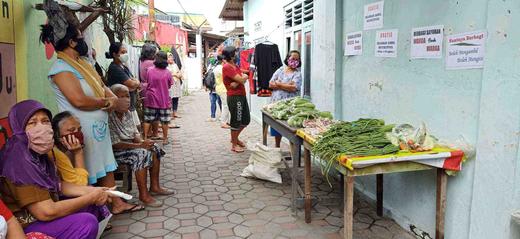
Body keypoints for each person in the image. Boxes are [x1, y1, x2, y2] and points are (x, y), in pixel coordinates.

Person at [40, 23, 142, 214]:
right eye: (80, 37)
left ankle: (116, 204)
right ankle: (96, 210)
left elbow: (105, 90)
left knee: (105, 165)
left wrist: (110, 99)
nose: (84, 42)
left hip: (98, 130)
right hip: (81, 129)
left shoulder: (84, 65)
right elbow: (79, 100)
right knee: (86, 168)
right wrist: (106, 103)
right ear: (71, 42)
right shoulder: (61, 68)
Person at [0, 100, 111, 238]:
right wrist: (90, 197)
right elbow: (46, 212)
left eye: (45, 121)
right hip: (26, 226)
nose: (41, 127)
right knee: (86, 223)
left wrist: (92, 191)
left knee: (92, 204)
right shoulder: (18, 159)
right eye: (32, 123)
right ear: (19, 127)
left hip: (44, 212)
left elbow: (56, 185)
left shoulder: (36, 151)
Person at [109, 84, 173, 207]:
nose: (126, 99)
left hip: (131, 146)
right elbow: (115, 144)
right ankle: (143, 195)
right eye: (121, 96)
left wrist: (143, 142)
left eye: (127, 96)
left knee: (154, 148)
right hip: (116, 150)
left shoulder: (128, 113)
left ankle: (154, 186)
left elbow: (135, 134)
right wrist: (139, 146)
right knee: (141, 153)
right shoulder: (108, 116)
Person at [269, 50, 302, 148]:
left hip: (290, 107)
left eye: (297, 59)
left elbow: (294, 88)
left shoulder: (297, 74)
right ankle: (277, 147)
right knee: (276, 128)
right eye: (292, 59)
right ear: (287, 59)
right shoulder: (280, 70)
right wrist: (287, 85)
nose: (295, 61)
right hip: (276, 105)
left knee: (290, 129)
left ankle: (293, 151)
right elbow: (270, 84)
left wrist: (279, 84)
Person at [222, 46, 250, 153]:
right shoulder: (227, 67)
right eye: (235, 53)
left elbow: (242, 76)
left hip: (241, 96)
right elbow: (242, 79)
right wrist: (243, 78)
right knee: (236, 121)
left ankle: (235, 138)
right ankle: (234, 144)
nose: (237, 54)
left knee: (246, 120)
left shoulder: (235, 65)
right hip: (234, 97)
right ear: (231, 55)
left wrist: (242, 78)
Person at [106, 42, 141, 127]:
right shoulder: (114, 68)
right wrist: (134, 84)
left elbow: (134, 82)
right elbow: (132, 84)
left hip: (130, 105)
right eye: (122, 52)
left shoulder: (123, 66)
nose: (125, 54)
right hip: (122, 107)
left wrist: (134, 83)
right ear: (114, 54)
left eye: (125, 52)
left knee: (136, 128)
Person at [50, 111, 89, 186]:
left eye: (79, 129)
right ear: (57, 136)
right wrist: (78, 153)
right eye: (72, 130)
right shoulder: (56, 154)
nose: (78, 133)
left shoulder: (69, 151)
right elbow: (81, 185)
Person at [142, 51, 173, 145]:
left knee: (147, 119)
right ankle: (165, 139)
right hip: (163, 98)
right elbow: (169, 85)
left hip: (151, 98)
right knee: (164, 120)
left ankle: (145, 138)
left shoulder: (150, 70)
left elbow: (147, 81)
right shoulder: (167, 72)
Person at [139, 43, 161, 139]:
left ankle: (148, 133)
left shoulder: (142, 62)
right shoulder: (151, 63)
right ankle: (154, 134)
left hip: (144, 88)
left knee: (147, 111)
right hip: (152, 89)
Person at [214, 55, 230, 129]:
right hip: (223, 88)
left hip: (219, 88)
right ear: (223, 60)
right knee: (226, 106)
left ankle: (225, 121)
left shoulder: (216, 67)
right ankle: (223, 122)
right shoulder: (221, 68)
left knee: (225, 105)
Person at [167, 52, 182, 128]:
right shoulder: (166, 66)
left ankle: (175, 112)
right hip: (171, 84)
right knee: (170, 98)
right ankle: (169, 114)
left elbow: (179, 73)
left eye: (171, 57)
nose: (171, 58)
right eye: (169, 57)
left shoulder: (175, 65)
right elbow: (168, 74)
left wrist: (176, 74)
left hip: (177, 83)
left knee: (176, 98)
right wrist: (175, 74)